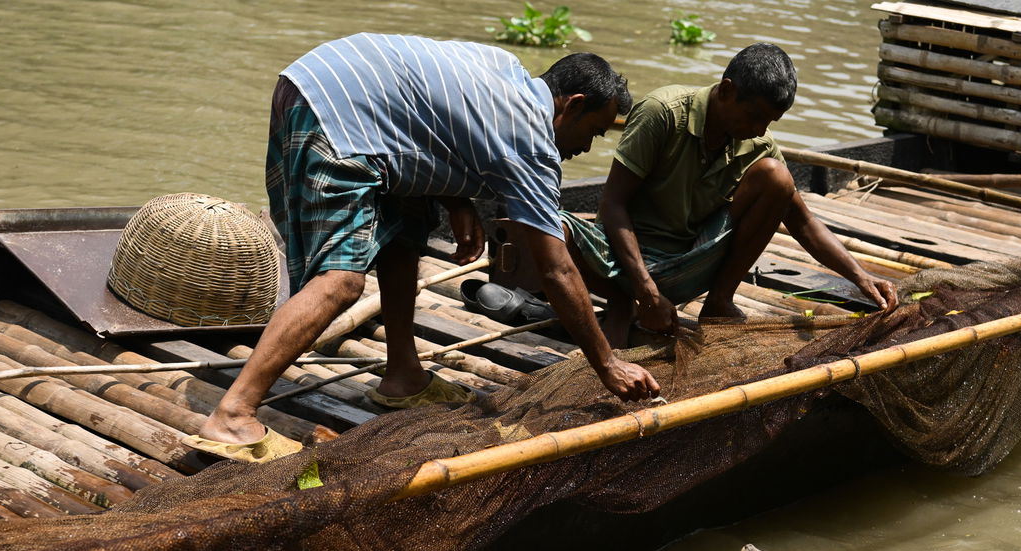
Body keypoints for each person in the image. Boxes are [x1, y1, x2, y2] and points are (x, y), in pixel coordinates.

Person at [188, 34, 659, 463]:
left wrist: (457, 199)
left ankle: (403, 374)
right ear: (571, 106)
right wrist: (607, 363)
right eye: (594, 132)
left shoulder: (505, 69)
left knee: (404, 235)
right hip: (339, 113)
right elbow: (556, 269)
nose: (586, 148)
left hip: (320, 80)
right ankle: (233, 415)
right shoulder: (531, 141)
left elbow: (430, 113)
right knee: (342, 279)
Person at [561, 42, 899, 347]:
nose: (759, 130)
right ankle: (623, 302)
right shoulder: (661, 111)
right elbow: (613, 203)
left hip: (690, 260)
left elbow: (804, 223)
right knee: (555, 229)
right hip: (622, 263)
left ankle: (719, 301)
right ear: (726, 90)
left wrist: (861, 277)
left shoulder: (757, 143)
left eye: (770, 122)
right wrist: (646, 291)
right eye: (754, 116)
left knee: (777, 177)